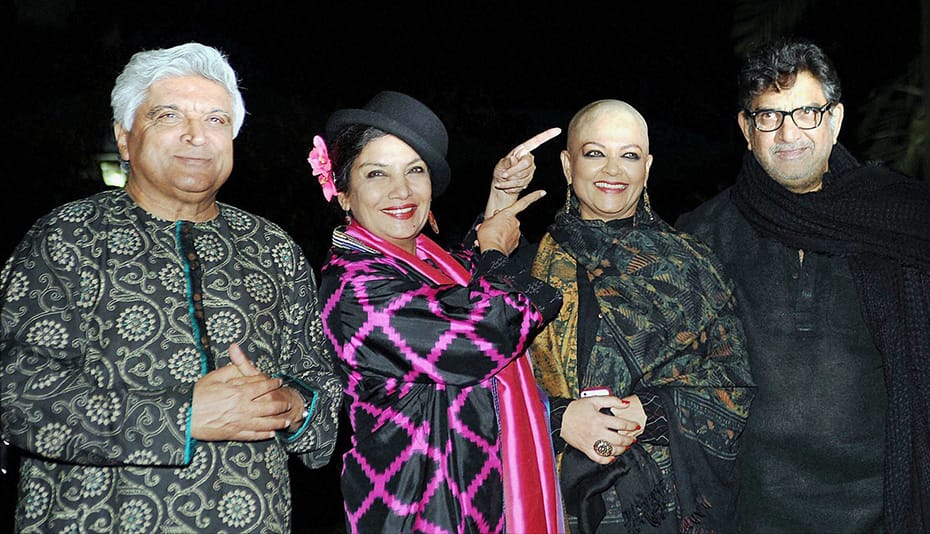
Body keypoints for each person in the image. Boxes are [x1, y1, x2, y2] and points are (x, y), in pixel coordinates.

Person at [0, 42, 343, 533]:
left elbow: (324, 389)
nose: (196, 136)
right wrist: (180, 416)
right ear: (124, 138)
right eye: (168, 115)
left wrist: (293, 407)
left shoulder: (272, 247)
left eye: (217, 121)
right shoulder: (68, 237)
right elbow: (16, 391)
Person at [675, 37, 930, 533]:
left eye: (806, 112)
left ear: (835, 119)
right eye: (769, 116)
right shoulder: (703, 235)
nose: (788, 133)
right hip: (746, 512)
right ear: (746, 128)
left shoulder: (900, 218)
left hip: (886, 508)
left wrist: (922, 429)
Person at [313, 90, 565, 533]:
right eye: (376, 174)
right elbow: (482, 330)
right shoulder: (352, 290)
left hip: (477, 504)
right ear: (345, 193)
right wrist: (494, 254)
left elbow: (459, 291)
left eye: (415, 170)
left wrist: (500, 197)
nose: (402, 190)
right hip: (415, 512)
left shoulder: (426, 261)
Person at [522, 99, 755, 533]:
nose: (613, 170)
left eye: (628, 155)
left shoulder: (691, 266)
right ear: (567, 165)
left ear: (646, 168)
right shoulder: (526, 271)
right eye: (595, 153)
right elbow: (481, 390)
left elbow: (734, 382)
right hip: (551, 502)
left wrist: (653, 411)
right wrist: (557, 418)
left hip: (665, 505)